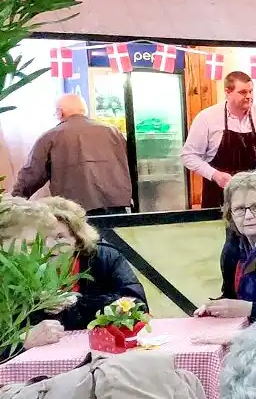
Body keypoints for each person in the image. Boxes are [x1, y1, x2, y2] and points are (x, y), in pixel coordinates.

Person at [37, 196, 147, 331]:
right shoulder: (24, 267)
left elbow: (138, 305)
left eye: (60, 237)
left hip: (102, 344)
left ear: (77, 239)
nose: (49, 246)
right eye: (41, 237)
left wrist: (77, 301)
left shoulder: (105, 258)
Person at [13, 94, 132, 215]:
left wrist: (14, 201)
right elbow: (131, 163)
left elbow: (32, 174)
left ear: (60, 112)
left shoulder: (51, 137)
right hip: (117, 205)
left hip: (75, 209)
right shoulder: (112, 131)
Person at [197, 171, 256, 322]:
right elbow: (231, 296)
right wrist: (213, 308)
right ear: (230, 213)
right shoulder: (233, 249)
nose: (248, 216)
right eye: (240, 209)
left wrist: (250, 308)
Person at [181, 72, 256, 209]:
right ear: (227, 92)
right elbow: (188, 156)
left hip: (254, 197)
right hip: (218, 197)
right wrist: (215, 175)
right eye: (242, 92)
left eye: (251, 91)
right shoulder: (207, 118)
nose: (249, 96)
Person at [0, 197, 70, 352]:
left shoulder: (25, 277)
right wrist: (21, 342)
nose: (42, 253)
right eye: (31, 244)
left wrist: (48, 307)